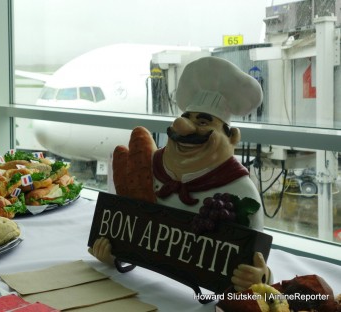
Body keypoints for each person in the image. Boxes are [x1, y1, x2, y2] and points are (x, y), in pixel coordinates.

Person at [89, 56, 272, 292]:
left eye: (204, 122)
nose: (185, 128)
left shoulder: (239, 191)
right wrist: (113, 252)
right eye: (185, 118)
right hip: (139, 289)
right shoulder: (146, 168)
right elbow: (127, 228)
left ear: (232, 138)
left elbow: (255, 259)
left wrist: (260, 276)